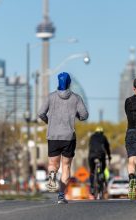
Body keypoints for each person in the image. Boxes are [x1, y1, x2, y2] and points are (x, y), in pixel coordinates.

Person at [38, 72, 89, 204]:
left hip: (53, 135)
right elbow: (84, 115)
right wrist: (77, 115)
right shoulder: (76, 98)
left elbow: (41, 113)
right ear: (69, 83)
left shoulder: (50, 97)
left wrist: (48, 122)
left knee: (52, 164)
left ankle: (52, 175)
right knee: (66, 167)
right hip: (68, 137)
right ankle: (61, 195)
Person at [88, 126, 111, 197]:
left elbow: (90, 146)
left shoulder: (92, 137)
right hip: (101, 155)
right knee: (103, 168)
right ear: (102, 132)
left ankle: (92, 187)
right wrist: (109, 156)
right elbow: (107, 147)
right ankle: (101, 175)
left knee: (92, 171)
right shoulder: (103, 137)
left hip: (91, 155)